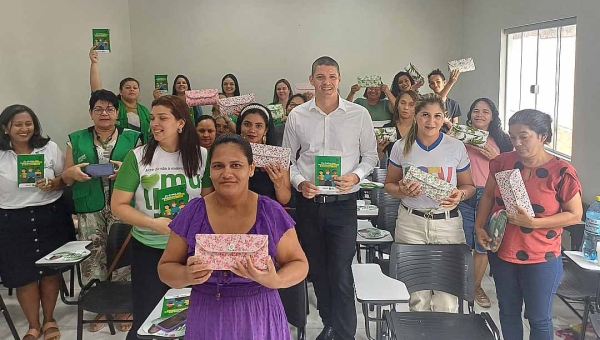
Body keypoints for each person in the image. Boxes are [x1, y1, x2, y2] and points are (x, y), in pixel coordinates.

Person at [157, 134, 308, 339]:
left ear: (251, 168)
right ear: (209, 171)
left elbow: (299, 263)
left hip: (260, 313)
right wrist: (186, 275)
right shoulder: (193, 212)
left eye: (236, 165)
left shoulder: (270, 211)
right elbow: (165, 268)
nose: (227, 173)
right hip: (207, 315)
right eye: (218, 166)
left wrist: (276, 279)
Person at [283, 56, 378, 340]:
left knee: (340, 271)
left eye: (332, 76)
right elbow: (287, 160)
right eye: (320, 77)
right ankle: (330, 325)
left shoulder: (358, 114)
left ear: (340, 79)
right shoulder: (297, 115)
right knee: (318, 271)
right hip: (309, 204)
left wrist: (356, 176)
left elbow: (371, 156)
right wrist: (300, 184)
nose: (326, 82)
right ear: (312, 80)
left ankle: (345, 332)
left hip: (343, 204)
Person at [110, 95, 212, 340]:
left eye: (162, 118)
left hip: (190, 251)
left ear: (180, 123)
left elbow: (210, 201)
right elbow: (118, 206)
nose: (155, 123)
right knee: (150, 317)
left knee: (190, 314)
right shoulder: (137, 157)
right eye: (152, 118)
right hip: (149, 249)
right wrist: (153, 223)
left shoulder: (202, 156)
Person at [475, 109, 582, 340]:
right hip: (503, 251)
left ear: (542, 136)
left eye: (524, 136)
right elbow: (487, 196)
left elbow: (574, 215)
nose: (518, 143)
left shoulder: (561, 172)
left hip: (541, 258)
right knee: (508, 311)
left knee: (538, 318)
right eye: (513, 137)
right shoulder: (503, 162)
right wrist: (480, 226)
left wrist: (533, 223)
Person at [384, 93, 476, 313]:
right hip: (411, 222)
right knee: (417, 295)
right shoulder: (401, 146)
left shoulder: (455, 147)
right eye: (425, 115)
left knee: (447, 298)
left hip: (447, 224)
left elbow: (469, 186)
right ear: (416, 116)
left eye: (437, 116)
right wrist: (401, 190)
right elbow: (389, 184)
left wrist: (459, 195)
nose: (431, 121)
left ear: (444, 118)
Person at [61, 90, 141, 332]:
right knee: (93, 257)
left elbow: (145, 174)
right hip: (89, 207)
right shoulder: (75, 139)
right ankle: (99, 308)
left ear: (117, 113)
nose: (104, 113)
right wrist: (71, 173)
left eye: (109, 109)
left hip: (123, 206)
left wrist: (126, 172)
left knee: (124, 255)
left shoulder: (134, 138)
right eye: (98, 109)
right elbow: (65, 179)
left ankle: (125, 306)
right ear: (90, 112)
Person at [0, 104, 75, 340]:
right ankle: (33, 325)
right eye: (18, 124)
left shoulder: (49, 148)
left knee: (50, 272)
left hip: (50, 216)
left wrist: (53, 183)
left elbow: (65, 178)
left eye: (28, 123)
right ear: (5, 128)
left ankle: (49, 319)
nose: (24, 129)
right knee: (24, 275)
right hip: (13, 220)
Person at [455, 98, 513, 309]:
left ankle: (475, 287)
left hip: (489, 196)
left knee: (482, 245)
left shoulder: (502, 140)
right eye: (476, 111)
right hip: (462, 193)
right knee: (461, 242)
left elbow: (511, 173)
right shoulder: (459, 137)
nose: (480, 115)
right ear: (469, 114)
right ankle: (458, 285)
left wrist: (497, 157)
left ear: (492, 116)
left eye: (485, 111)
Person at [89, 47, 152, 143]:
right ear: (120, 91)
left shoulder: (145, 110)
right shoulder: (113, 106)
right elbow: (97, 90)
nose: (132, 89)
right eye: (128, 87)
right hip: (118, 147)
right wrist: (94, 63)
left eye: (135, 88)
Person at [236, 104, 291, 205]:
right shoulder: (231, 154)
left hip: (268, 212)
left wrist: (278, 183)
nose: (252, 130)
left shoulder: (278, 156)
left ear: (266, 129)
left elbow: (285, 200)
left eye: (258, 126)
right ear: (240, 126)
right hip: (237, 212)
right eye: (247, 124)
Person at [378, 90, 419, 162]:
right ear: (397, 105)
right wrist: (379, 149)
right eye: (403, 103)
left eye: (411, 104)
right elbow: (378, 158)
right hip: (393, 170)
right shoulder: (388, 128)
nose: (406, 107)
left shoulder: (421, 129)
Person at [427, 69, 461, 133]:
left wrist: (447, 122)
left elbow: (456, 129)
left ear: (444, 82)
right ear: (430, 86)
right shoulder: (428, 102)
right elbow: (439, 99)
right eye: (432, 83)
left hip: (449, 139)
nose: (435, 85)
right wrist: (451, 82)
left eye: (438, 81)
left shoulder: (454, 104)